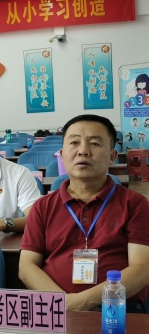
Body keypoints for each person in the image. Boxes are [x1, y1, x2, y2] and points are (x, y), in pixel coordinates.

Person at [19, 114, 149, 312]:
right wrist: (62, 303)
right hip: (56, 309)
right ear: (62, 154)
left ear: (112, 156)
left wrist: (81, 301)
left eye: (95, 144)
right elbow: (26, 266)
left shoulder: (135, 204)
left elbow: (142, 269)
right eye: (74, 143)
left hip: (117, 309)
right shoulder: (43, 206)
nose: (83, 151)